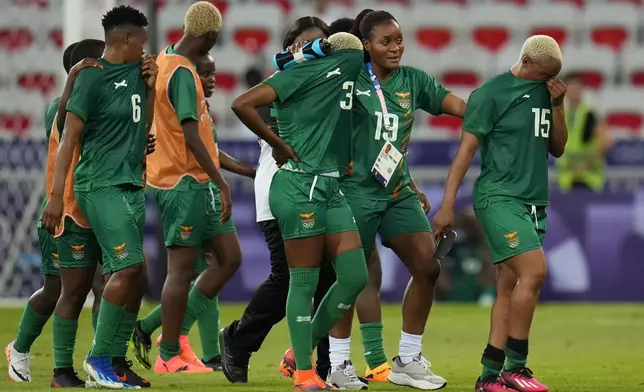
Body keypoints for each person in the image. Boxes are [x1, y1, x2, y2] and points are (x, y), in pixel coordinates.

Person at [322, 9, 466, 390]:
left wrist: (490, 112)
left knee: (429, 267)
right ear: (365, 45)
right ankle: (337, 366)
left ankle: (407, 358)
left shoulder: (413, 80)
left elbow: (457, 106)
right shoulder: (349, 77)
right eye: (386, 42)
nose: (396, 48)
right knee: (350, 279)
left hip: (398, 191)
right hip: (353, 192)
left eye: (399, 40)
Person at [232, 31, 368, 391]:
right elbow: (242, 103)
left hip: (329, 186)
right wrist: (277, 144)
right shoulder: (298, 75)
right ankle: (306, 375)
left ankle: (299, 350)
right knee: (303, 282)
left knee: (355, 276)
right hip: (298, 186)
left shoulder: (342, 81)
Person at [432, 35, 567, 392]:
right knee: (534, 272)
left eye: (551, 76)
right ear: (525, 61)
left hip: (535, 201)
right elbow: (465, 153)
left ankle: (489, 376)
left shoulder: (546, 91)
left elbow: (558, 148)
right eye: (542, 74)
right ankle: (518, 367)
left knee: (507, 285)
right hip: (499, 197)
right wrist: (447, 204)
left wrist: (559, 106)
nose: (546, 81)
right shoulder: (489, 95)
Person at [42, 5, 157, 389]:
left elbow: (143, 127)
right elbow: (68, 139)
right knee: (121, 271)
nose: (146, 45)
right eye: (142, 37)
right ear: (126, 37)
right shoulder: (92, 78)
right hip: (98, 185)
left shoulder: (141, 74)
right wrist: (56, 197)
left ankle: (115, 361)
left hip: (131, 184)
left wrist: (153, 86)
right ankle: (96, 359)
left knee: (138, 275)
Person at [133, 52, 255, 372]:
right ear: (192, 79)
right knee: (191, 272)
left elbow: (212, 152)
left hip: (204, 190)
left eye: (214, 74)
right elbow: (200, 152)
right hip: (187, 190)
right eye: (205, 74)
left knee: (213, 268)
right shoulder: (180, 106)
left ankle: (161, 332)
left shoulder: (202, 112)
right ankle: (177, 343)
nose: (211, 80)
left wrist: (250, 171)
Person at [5, 41, 76, 384]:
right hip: (62, 212)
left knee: (104, 284)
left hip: (89, 210)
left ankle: (101, 360)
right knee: (56, 289)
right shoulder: (58, 110)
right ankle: (19, 348)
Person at [556, 72, 612, 193]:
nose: (573, 91)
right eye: (570, 87)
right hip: (566, 177)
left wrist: (587, 163)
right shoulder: (562, 114)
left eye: (577, 87)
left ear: (582, 89)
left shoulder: (591, 114)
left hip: (588, 177)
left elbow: (606, 142)